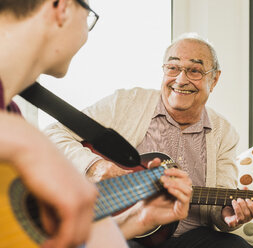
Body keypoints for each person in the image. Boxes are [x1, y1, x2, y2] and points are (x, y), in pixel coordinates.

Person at [0, 0, 191, 247]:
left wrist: (135, 219)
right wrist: (30, 142)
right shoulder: (17, 134)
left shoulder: (11, 113)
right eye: (88, 16)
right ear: (62, 8)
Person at [45, 33, 253, 248]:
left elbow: (219, 205)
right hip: (126, 232)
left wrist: (227, 216)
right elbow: (54, 134)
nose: (181, 79)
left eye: (194, 70)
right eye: (173, 68)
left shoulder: (225, 132)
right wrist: (95, 166)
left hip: (192, 238)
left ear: (214, 79)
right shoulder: (126, 102)